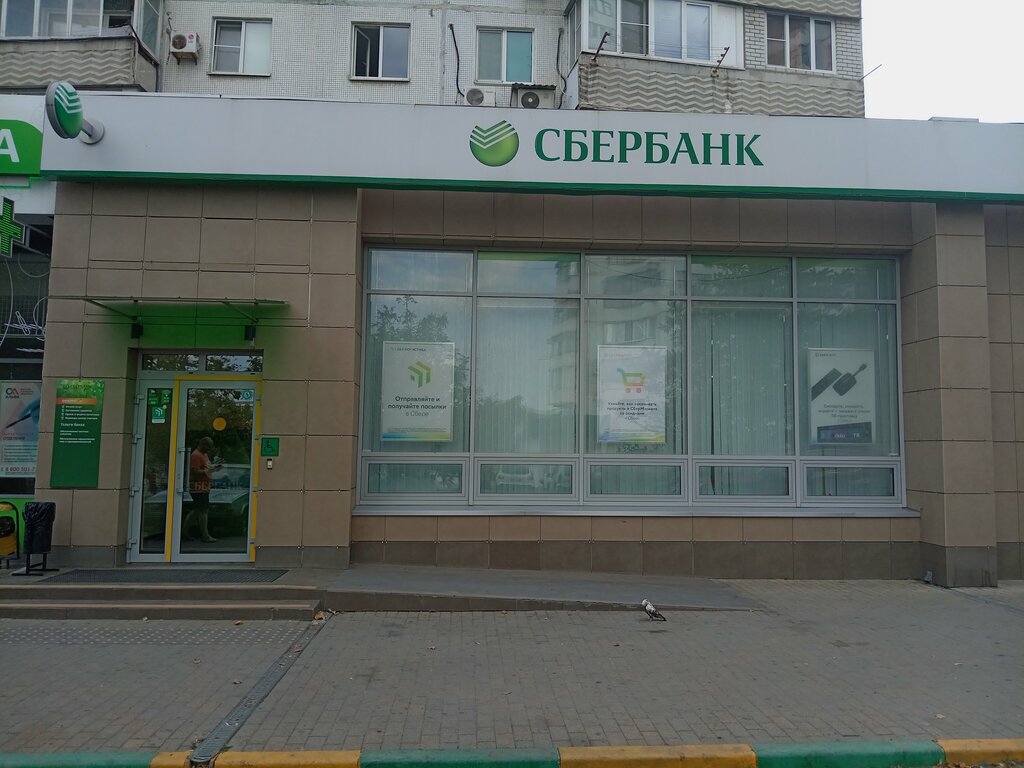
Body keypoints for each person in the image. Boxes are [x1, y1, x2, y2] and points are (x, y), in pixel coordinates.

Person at [183, 436, 222, 543]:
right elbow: (194, 471)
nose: (209, 449)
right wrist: (207, 471)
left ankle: (184, 531)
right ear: (203, 444)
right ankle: (205, 535)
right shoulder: (196, 455)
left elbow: (206, 468)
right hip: (198, 488)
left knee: (197, 510)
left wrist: (214, 467)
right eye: (209, 447)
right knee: (203, 511)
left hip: (204, 487)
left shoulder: (204, 455)